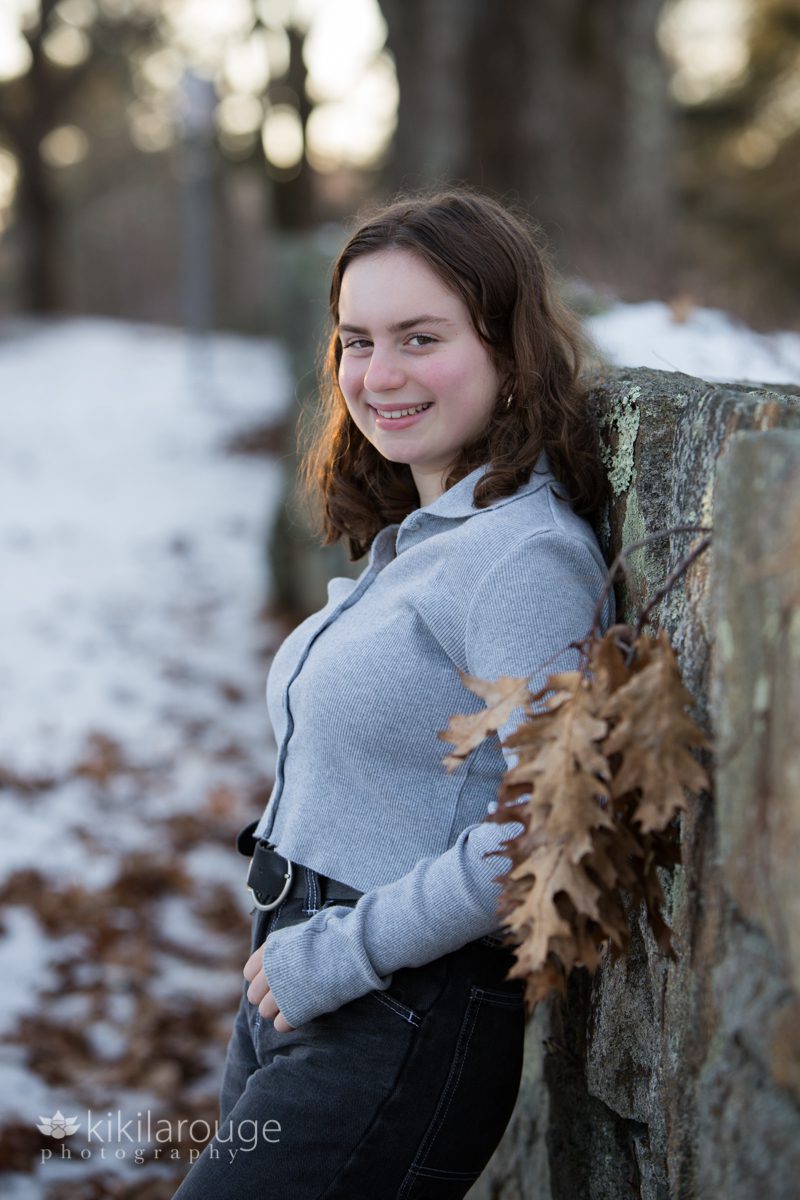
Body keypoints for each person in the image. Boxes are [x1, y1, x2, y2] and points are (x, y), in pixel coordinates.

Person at [173, 189, 615, 1199]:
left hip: (400, 1005)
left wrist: (341, 952)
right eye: (355, 340)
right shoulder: (427, 538)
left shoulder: (521, 558)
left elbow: (547, 827)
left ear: (508, 348)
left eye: (420, 338)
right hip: (308, 968)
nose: (377, 376)